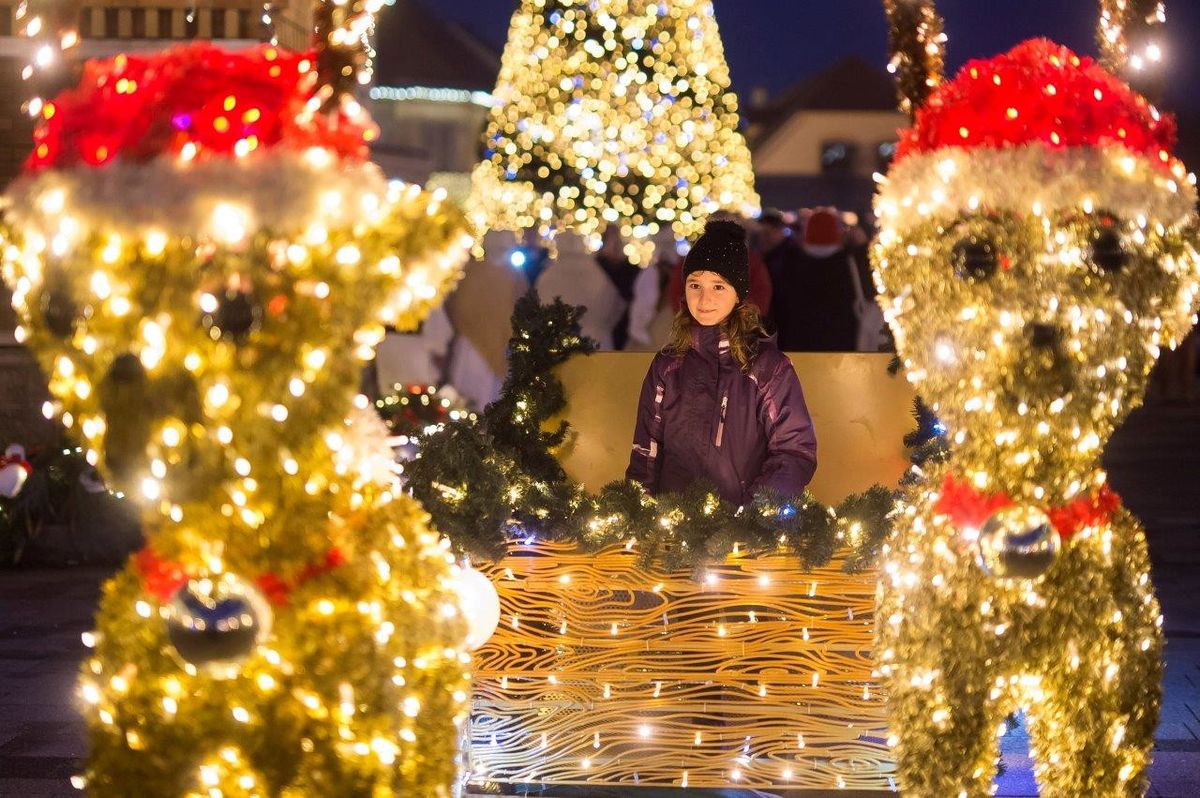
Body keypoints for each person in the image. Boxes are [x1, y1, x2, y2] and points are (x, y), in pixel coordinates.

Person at [626, 219, 817, 505]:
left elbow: (794, 450)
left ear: (738, 293)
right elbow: (646, 451)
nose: (704, 299)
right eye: (695, 285)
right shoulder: (668, 366)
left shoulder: (767, 368)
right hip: (673, 530)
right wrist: (639, 512)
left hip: (742, 535)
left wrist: (753, 514)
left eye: (718, 286)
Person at [773, 207, 860, 352]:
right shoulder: (848, 263)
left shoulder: (792, 263)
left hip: (798, 345)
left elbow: (781, 306)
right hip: (843, 346)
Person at [595, 226, 641, 349]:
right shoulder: (597, 267)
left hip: (625, 322)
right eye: (611, 240)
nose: (615, 244)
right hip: (605, 321)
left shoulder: (631, 268)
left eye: (617, 239)